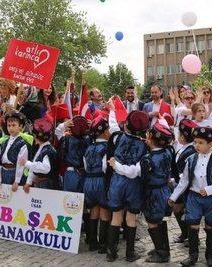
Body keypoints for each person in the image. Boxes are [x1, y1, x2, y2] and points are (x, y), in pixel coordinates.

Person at [110, 121, 174, 263]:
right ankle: (163, 248)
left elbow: (133, 172)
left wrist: (116, 165)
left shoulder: (148, 159)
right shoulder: (168, 152)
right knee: (159, 220)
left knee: (152, 221)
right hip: (164, 190)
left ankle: (161, 253)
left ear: (150, 138)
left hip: (152, 193)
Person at [169, 126, 212, 267]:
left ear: (211, 144)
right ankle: (193, 255)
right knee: (193, 225)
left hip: (211, 199)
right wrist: (174, 196)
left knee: (210, 226)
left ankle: (210, 255)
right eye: (195, 142)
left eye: (201, 143)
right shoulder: (190, 160)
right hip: (194, 198)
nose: (197, 145)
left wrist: (209, 189)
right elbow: (184, 180)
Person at [105, 110, 150, 262]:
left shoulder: (117, 137)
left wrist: (116, 166)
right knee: (131, 218)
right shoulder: (145, 146)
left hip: (117, 181)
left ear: (127, 126)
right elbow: (138, 171)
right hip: (133, 184)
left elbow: (112, 124)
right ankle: (130, 254)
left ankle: (111, 253)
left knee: (116, 216)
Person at [83, 116, 112, 253]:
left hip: (88, 181)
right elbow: (105, 168)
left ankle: (92, 242)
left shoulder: (88, 148)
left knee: (93, 210)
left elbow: (85, 165)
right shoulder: (106, 147)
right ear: (105, 132)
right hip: (101, 181)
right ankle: (103, 244)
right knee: (104, 211)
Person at [171, 119, 198, 244]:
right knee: (177, 209)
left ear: (183, 136)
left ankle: (193, 238)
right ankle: (184, 233)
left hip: (187, 187)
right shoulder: (184, 148)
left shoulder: (191, 150)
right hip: (179, 186)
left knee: (189, 212)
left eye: (179, 133)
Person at [0, 111, 31, 192]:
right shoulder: (3, 143)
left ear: (20, 127)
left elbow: (20, 163)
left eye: (14, 125)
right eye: (9, 125)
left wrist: (17, 181)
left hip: (14, 173)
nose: (11, 128)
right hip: (3, 172)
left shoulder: (22, 144)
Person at [23, 118, 59, 191]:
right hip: (43, 183)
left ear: (36, 137)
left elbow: (45, 168)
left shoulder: (47, 150)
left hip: (46, 185)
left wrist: (27, 163)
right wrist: (28, 182)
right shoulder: (43, 148)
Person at [59, 115, 89, 192]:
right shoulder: (88, 140)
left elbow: (57, 131)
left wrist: (64, 124)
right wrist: (91, 125)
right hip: (84, 174)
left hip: (70, 174)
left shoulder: (67, 139)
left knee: (68, 201)